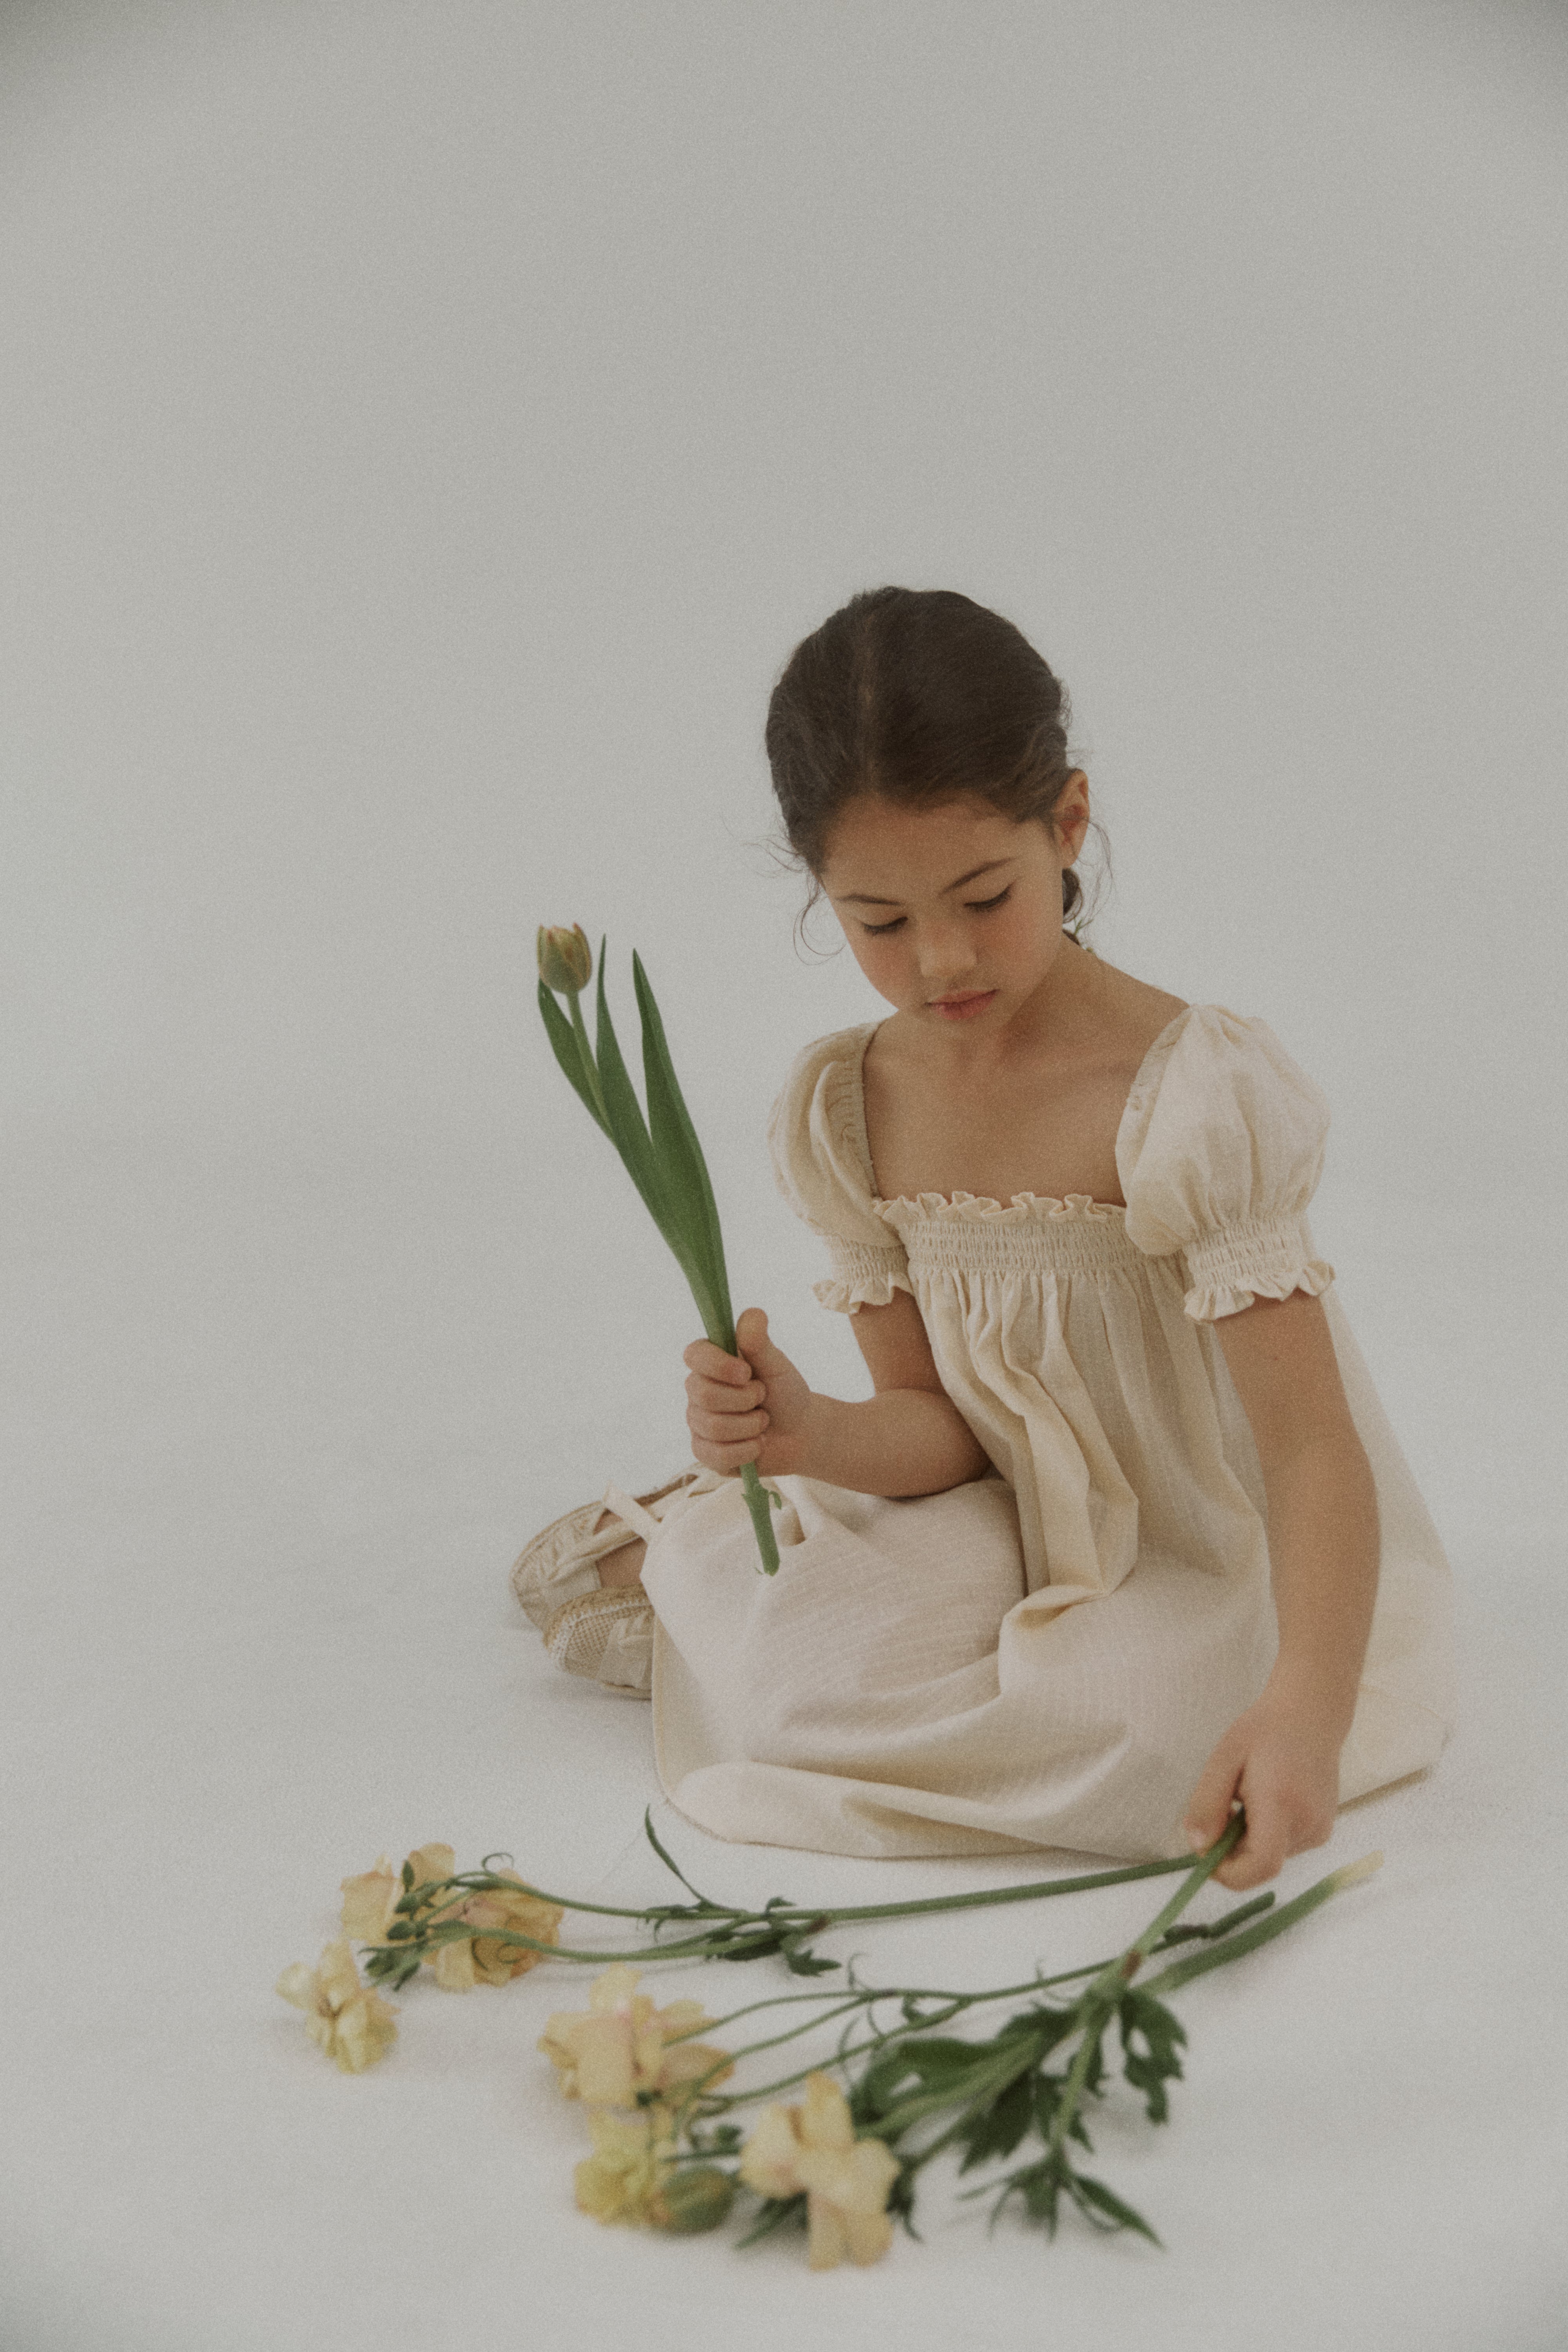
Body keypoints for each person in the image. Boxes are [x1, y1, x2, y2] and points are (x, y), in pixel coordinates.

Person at [511, 587, 1456, 1893]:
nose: (942, 961)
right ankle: (720, 1578)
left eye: (984, 896)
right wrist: (809, 1434)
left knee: (1141, 1739)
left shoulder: (1187, 1093)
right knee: (804, 1675)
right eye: (881, 923)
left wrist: (1306, 1703)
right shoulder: (853, 1106)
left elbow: (1307, 1450)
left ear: (1066, 824)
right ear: (822, 892)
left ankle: (704, 1599)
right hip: (1002, 1513)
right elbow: (941, 1429)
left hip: (1194, 1549)